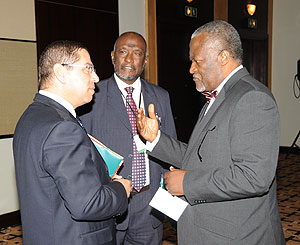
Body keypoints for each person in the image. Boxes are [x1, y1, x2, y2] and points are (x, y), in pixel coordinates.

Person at [137, 21, 285, 244]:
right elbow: (198, 157)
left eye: (197, 61)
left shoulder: (252, 98)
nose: (191, 69)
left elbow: (254, 177)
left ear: (223, 57)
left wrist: (187, 183)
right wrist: (155, 139)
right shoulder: (217, 98)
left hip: (238, 236)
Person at [13, 40, 132, 245]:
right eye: (88, 68)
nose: (95, 77)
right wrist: (121, 189)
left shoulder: (32, 116)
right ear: (60, 72)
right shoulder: (62, 128)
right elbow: (87, 204)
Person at [79, 32, 177, 244]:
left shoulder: (161, 96)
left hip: (149, 207)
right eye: (123, 52)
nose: (129, 59)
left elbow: (171, 149)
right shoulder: (91, 96)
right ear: (113, 56)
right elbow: (82, 153)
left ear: (145, 60)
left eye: (137, 53)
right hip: (109, 203)